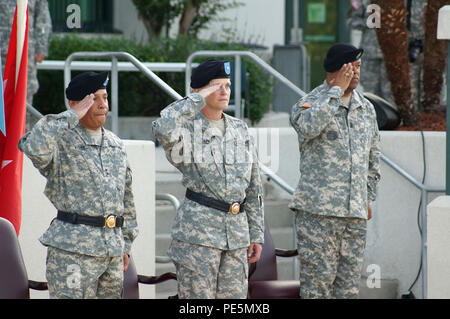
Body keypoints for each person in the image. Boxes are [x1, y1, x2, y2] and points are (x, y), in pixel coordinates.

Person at [18, 71, 138, 299]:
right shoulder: (60, 140)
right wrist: (71, 116)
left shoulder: (116, 144)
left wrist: (125, 245)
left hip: (111, 254)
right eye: (94, 99)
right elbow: (33, 146)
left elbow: (127, 201)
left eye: (105, 97)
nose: (103, 105)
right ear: (74, 104)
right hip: (73, 253)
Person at [152, 60, 264, 299]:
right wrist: (196, 99)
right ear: (199, 91)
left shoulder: (239, 129)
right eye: (216, 86)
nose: (225, 92)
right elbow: (162, 127)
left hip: (236, 237)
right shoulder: (185, 129)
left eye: (228, 85)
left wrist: (256, 234)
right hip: (198, 238)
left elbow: (254, 187)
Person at [289, 43, 381, 299]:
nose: (357, 72)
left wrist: (368, 197)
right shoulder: (308, 104)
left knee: (348, 291)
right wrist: (336, 91)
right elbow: (308, 128)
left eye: (359, 66)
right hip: (319, 215)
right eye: (351, 67)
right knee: (317, 290)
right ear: (336, 71)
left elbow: (373, 159)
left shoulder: (366, 108)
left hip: (354, 216)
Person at [1, 0, 52, 111]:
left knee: (23, 97)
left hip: (24, 53)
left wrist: (41, 46)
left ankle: (23, 128)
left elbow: (43, 16)